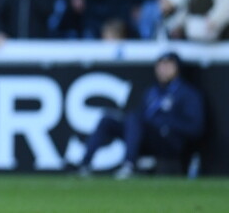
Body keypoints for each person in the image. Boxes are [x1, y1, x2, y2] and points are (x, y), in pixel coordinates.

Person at [76, 51, 204, 178]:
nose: (163, 69)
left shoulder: (187, 93)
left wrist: (166, 123)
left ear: (177, 68)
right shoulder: (152, 92)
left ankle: (128, 166)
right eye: (160, 65)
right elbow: (142, 116)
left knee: (135, 120)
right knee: (108, 120)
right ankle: (84, 165)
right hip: (147, 137)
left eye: (168, 65)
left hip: (169, 141)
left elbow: (196, 128)